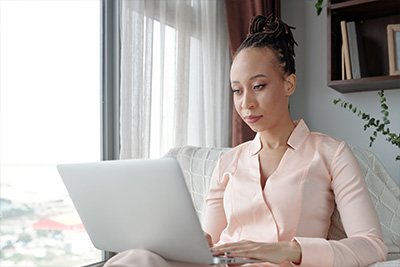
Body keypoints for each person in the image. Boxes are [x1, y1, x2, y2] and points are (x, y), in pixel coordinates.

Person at [105, 14, 387, 267]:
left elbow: (372, 245)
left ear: (289, 84)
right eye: (237, 91)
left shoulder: (331, 153)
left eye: (258, 86)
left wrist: (287, 250)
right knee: (138, 258)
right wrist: (177, 239)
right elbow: (210, 242)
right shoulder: (228, 161)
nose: (246, 103)